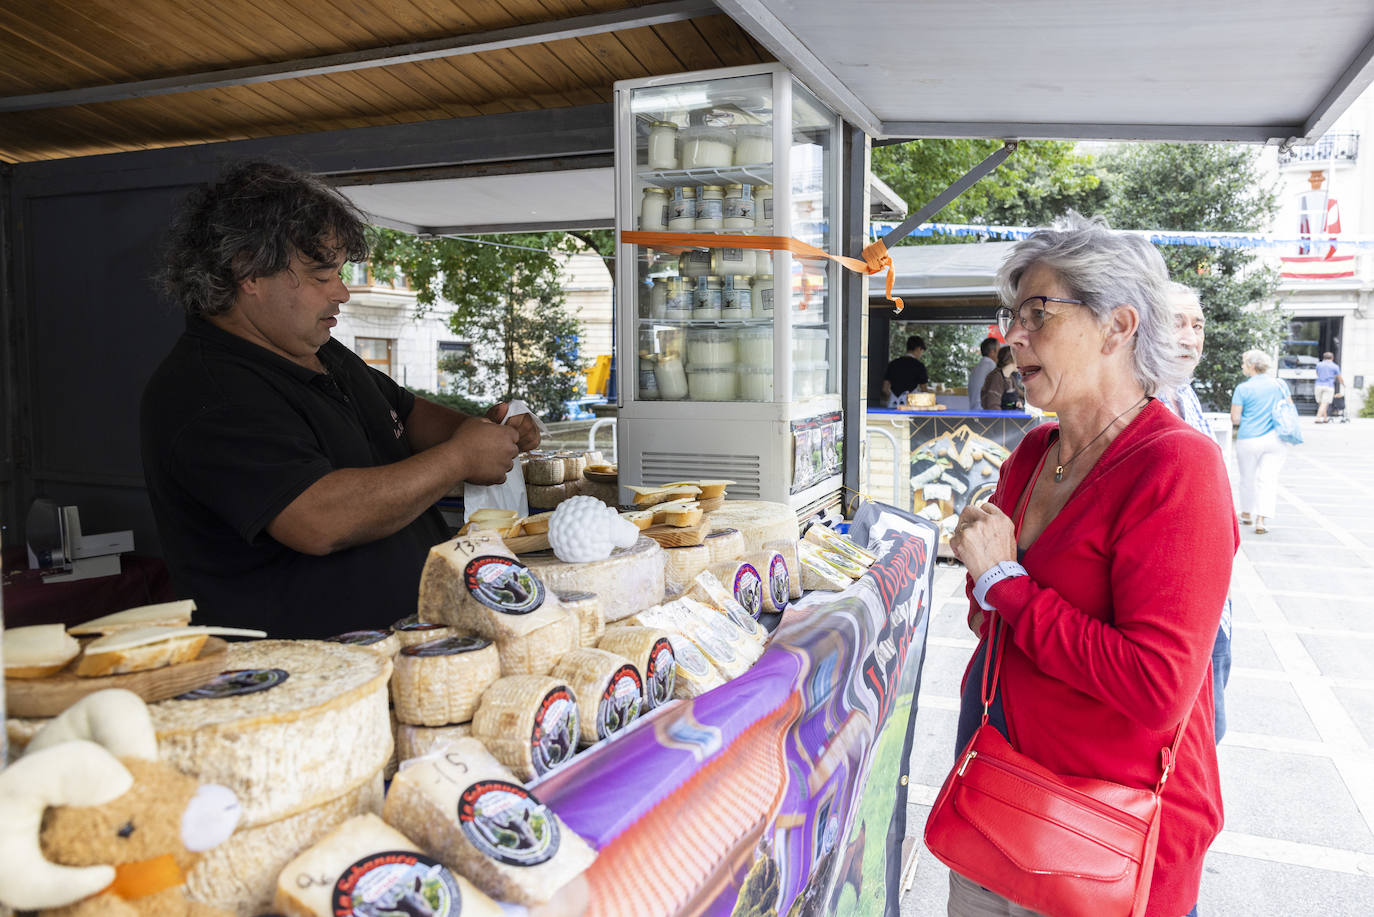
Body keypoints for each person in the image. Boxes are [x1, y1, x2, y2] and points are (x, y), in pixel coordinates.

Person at [946, 214, 1236, 917]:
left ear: (1118, 326)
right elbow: (989, 619)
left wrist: (1004, 583)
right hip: (996, 805)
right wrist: (987, 578)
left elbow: (1156, 685)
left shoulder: (1178, 465)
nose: (1013, 337)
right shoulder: (1031, 454)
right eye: (1011, 317)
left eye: (1037, 314)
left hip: (1109, 840)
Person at [141, 161, 541, 639]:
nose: (343, 292)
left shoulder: (321, 352)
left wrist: (487, 433)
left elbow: (404, 415)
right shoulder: (207, 391)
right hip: (302, 675)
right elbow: (316, 519)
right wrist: (459, 459)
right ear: (248, 270)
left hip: (402, 644)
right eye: (320, 275)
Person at [1164, 281, 1234, 744]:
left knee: (1207, 740)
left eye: (1198, 324)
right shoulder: (1138, 402)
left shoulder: (1185, 394)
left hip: (1214, 609)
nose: (1191, 337)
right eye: (1178, 323)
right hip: (1177, 620)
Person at [1231, 349, 1290, 535]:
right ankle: (1262, 519)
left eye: (1244, 363)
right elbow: (1289, 408)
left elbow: (1235, 418)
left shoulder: (1243, 389)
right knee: (1268, 479)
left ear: (1252, 366)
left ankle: (1247, 513)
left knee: (1247, 478)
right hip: (1275, 439)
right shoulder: (1280, 385)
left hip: (1249, 439)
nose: (1242, 366)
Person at [882, 335, 928, 407]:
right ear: (918, 348)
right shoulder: (919, 366)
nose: (921, 354)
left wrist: (893, 397)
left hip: (893, 404)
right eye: (922, 351)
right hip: (910, 405)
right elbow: (924, 390)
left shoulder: (893, 364)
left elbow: (885, 388)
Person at [979, 344, 1024, 410]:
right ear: (1012, 360)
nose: (1022, 363)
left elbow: (1011, 401)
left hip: (1009, 417)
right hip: (999, 419)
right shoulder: (996, 378)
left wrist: (1017, 402)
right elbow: (993, 406)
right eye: (1019, 359)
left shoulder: (1011, 378)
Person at [967, 336, 999, 410]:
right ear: (992, 352)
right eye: (999, 350)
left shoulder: (977, 367)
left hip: (974, 410)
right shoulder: (991, 366)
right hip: (984, 411)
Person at [1314, 351, 1345, 423]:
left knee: (1321, 403)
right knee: (1324, 403)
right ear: (1332, 358)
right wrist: (1343, 384)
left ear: (1323, 358)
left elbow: (1317, 374)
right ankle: (1318, 418)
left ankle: (1325, 418)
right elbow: (1339, 377)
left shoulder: (1319, 365)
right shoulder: (1334, 366)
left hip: (1318, 385)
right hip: (1328, 386)